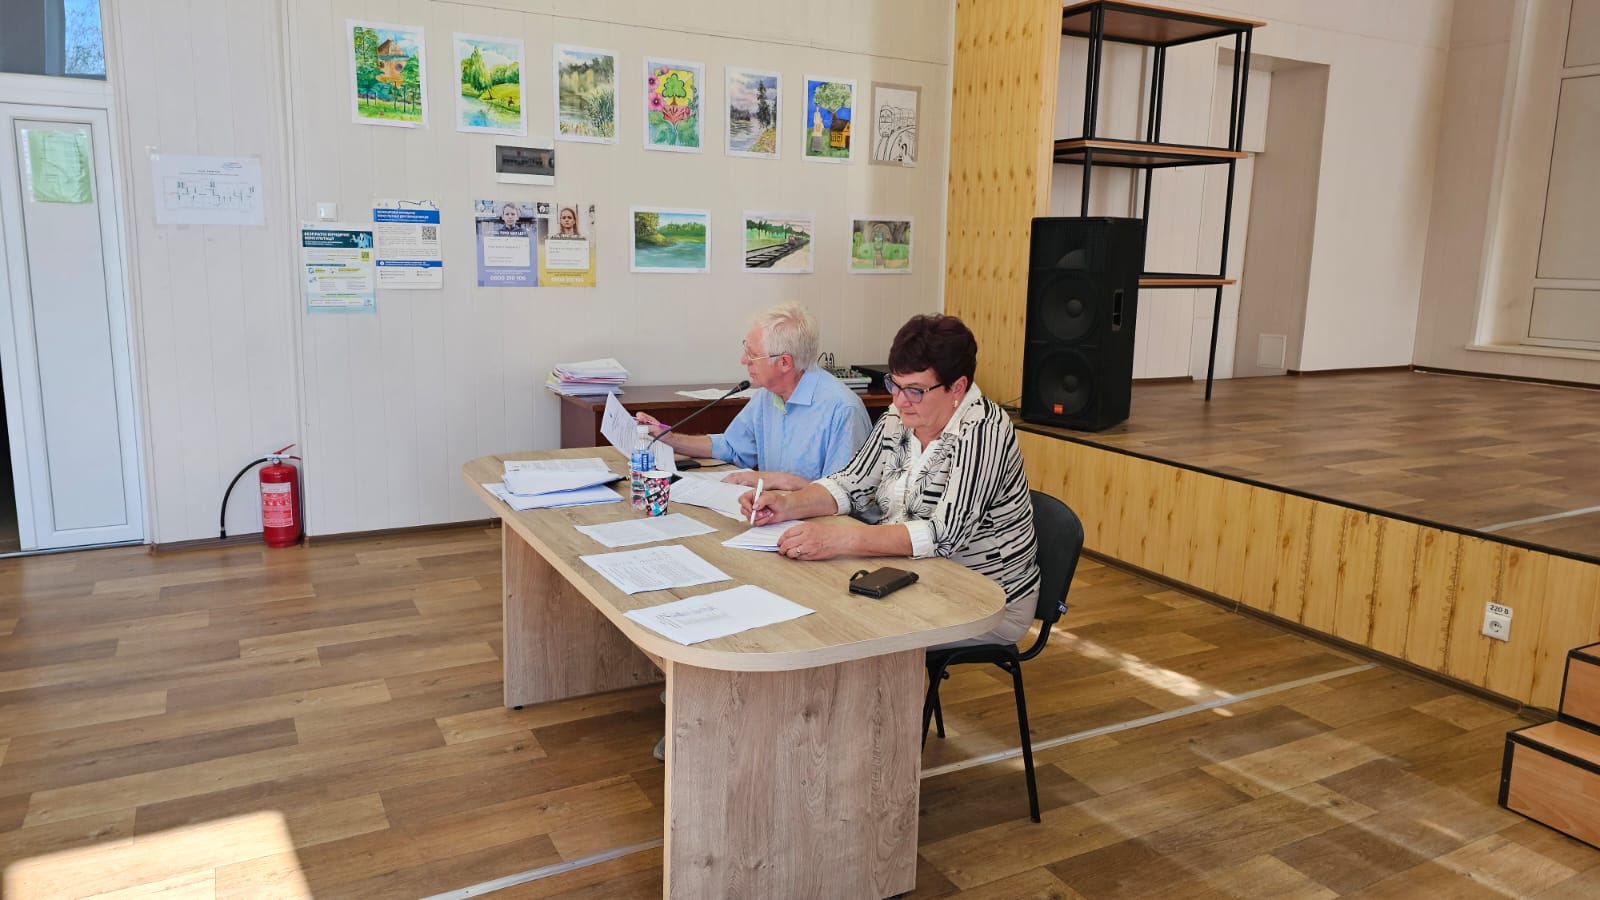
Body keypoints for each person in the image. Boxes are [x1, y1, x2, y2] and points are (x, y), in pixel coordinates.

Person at [743, 314, 1041, 647]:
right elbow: (850, 483)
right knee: (812, 609)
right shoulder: (900, 416)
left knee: (843, 635)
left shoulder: (984, 429)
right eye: (895, 385)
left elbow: (945, 535)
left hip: (985, 598)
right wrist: (787, 504)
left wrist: (838, 540)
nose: (899, 400)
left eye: (915, 390)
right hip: (908, 575)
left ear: (957, 387)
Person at [636, 302, 870, 490]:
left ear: (784, 362)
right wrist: (669, 438)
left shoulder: (843, 410)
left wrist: (778, 480)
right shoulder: (767, 395)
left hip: (823, 527)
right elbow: (732, 446)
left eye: (752, 354)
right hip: (776, 516)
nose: (743, 360)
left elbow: (843, 495)